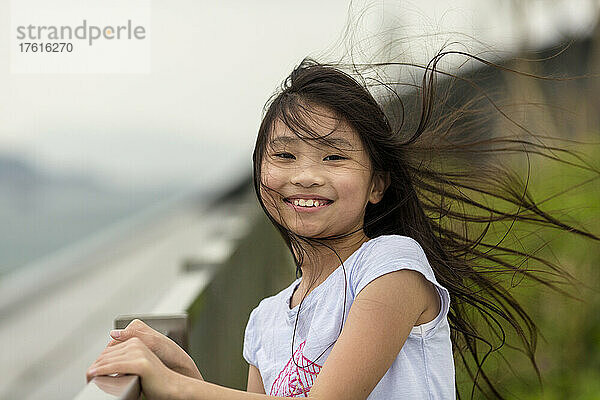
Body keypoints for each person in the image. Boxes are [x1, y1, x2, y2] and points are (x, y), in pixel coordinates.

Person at [86, 56, 599, 399]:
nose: (305, 175)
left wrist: (176, 389)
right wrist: (183, 372)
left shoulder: (391, 268)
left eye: (334, 156)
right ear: (260, 172)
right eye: (284, 155)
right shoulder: (266, 319)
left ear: (376, 184)